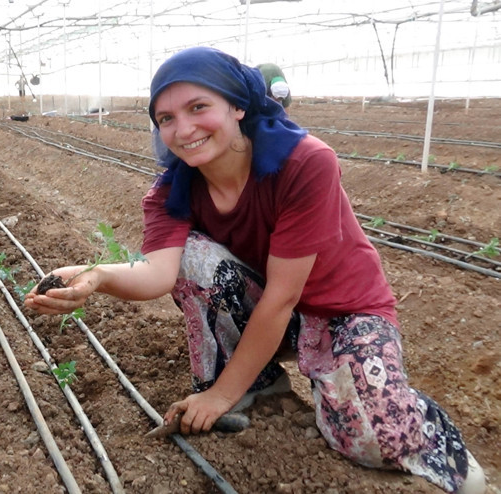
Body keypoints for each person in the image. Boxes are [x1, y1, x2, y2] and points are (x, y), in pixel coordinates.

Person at [25, 47, 485, 494]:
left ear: (238, 106)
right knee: (191, 256)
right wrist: (97, 276)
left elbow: (283, 298)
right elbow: (159, 273)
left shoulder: (304, 163)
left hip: (342, 311)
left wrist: (220, 397)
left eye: (198, 107)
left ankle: (418, 424)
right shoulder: (171, 193)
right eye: (165, 118)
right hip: (266, 306)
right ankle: (260, 382)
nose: (183, 129)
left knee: (372, 441)